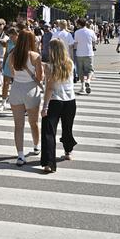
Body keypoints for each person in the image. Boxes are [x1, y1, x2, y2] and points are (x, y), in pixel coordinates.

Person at [41, 38, 77, 173]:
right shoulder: (70, 63)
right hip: (70, 100)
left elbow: (49, 88)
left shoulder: (50, 66)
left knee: (49, 132)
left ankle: (49, 163)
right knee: (67, 128)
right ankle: (68, 151)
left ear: (52, 50)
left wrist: (44, 106)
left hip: (55, 100)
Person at [8, 30, 43, 166]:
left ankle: (20, 155)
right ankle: (36, 145)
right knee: (33, 122)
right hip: (31, 90)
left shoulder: (13, 54)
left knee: (18, 125)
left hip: (16, 89)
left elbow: (12, 73)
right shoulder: (35, 56)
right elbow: (40, 77)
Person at [74, 18, 97, 94]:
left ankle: (82, 87)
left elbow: (75, 43)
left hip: (79, 53)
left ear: (79, 24)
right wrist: (93, 46)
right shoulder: (91, 31)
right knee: (90, 70)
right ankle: (88, 81)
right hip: (89, 53)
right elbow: (94, 41)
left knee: (81, 71)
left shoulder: (77, 32)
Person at [0, 27, 19, 111]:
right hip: (8, 64)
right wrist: (3, 64)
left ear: (17, 35)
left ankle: (15, 102)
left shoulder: (20, 43)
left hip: (17, 65)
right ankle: (3, 103)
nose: (11, 38)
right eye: (10, 36)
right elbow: (6, 54)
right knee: (5, 84)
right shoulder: (8, 42)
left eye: (12, 36)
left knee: (16, 85)